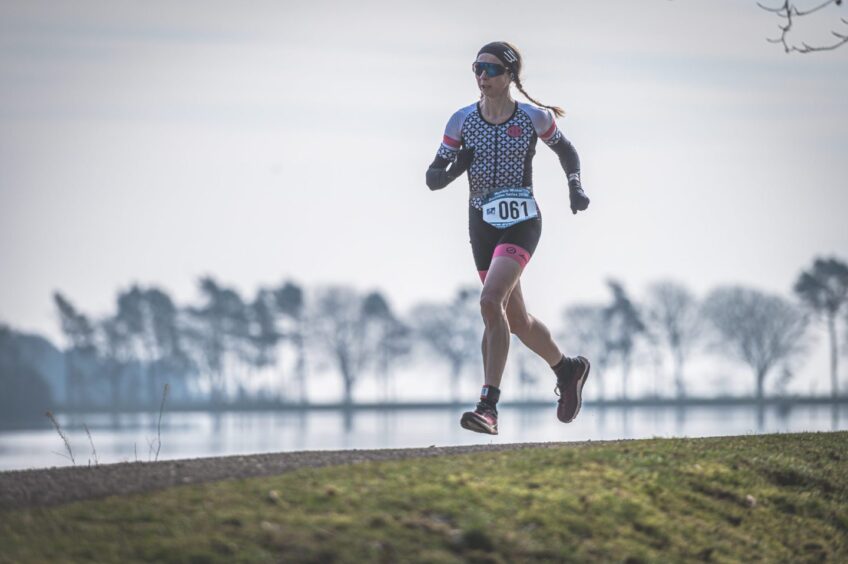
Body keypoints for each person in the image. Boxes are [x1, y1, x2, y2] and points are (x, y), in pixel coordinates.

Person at [426, 41, 591, 435]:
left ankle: (488, 407)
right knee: (515, 320)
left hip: (522, 221)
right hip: (481, 223)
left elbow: (567, 151)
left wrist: (575, 186)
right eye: (477, 68)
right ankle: (568, 369)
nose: (482, 76)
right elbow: (432, 178)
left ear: (510, 76)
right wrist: (456, 168)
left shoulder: (534, 118)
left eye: (492, 69)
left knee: (489, 301)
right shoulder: (461, 121)